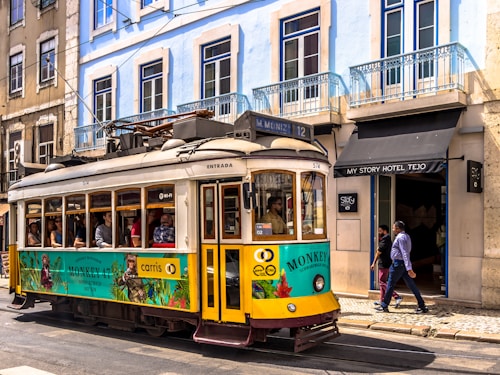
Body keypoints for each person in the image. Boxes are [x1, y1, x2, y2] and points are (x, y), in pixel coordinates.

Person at [375, 220, 429, 313]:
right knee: (411, 285)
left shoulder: (400, 238)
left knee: (390, 284)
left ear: (397, 228)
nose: (392, 229)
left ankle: (384, 305)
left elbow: (405, 253)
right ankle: (422, 305)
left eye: (394, 227)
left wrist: (409, 268)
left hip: (398, 264)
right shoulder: (406, 236)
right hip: (402, 264)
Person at [371, 224, 402, 307]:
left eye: (380, 231)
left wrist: (373, 262)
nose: (379, 232)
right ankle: (382, 300)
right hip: (386, 262)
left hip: (384, 263)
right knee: (383, 282)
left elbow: (379, 252)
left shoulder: (385, 239)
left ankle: (396, 296)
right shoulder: (387, 239)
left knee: (382, 282)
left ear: (384, 231)